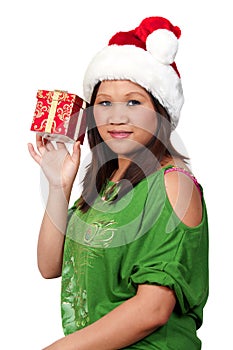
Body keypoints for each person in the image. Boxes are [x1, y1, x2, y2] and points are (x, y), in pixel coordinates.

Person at [28, 16, 208, 350]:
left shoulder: (174, 185)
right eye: (105, 102)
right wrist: (58, 186)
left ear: (160, 112)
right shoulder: (106, 186)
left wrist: (59, 349)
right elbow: (50, 265)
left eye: (134, 102)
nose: (116, 116)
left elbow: (153, 309)